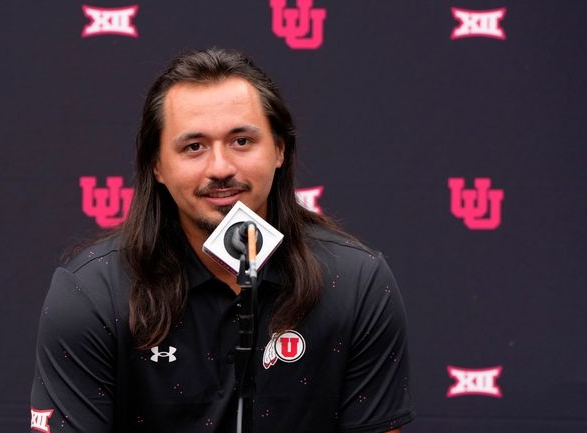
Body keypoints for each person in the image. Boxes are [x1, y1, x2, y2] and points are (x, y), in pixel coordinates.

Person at [30, 48, 415, 433]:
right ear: (157, 165)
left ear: (279, 149)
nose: (221, 169)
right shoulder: (91, 294)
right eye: (193, 147)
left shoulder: (356, 282)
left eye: (242, 141)